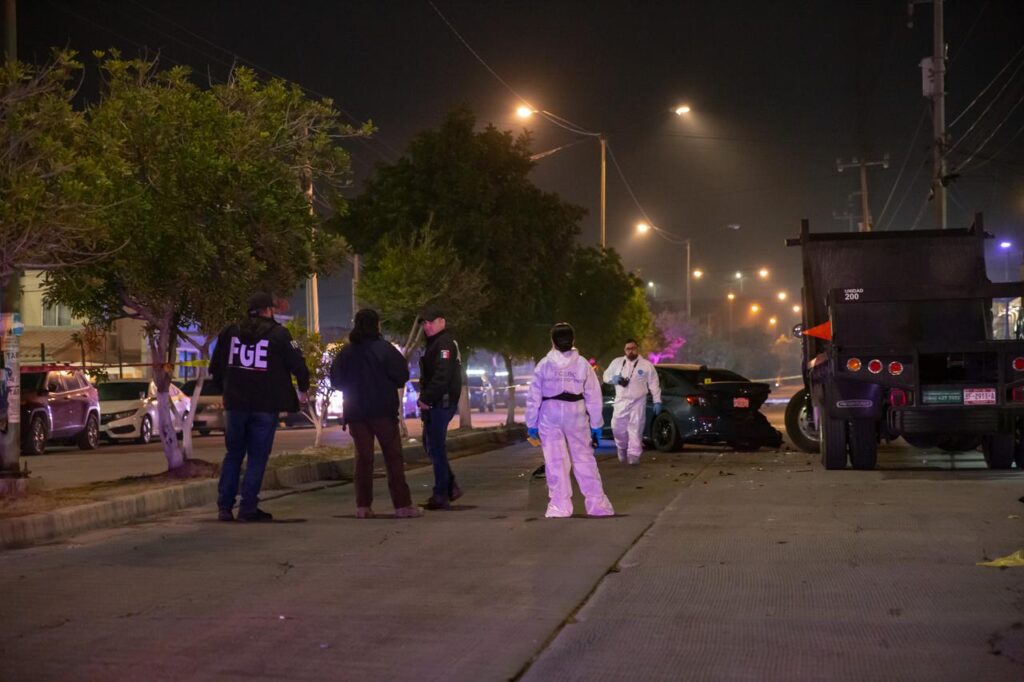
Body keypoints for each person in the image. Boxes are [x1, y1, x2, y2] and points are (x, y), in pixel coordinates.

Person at [210, 292, 310, 522]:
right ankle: (248, 508)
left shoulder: (229, 331)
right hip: (265, 405)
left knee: (233, 454)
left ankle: (224, 507)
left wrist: (225, 390)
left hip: (235, 405)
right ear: (268, 310)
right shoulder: (280, 334)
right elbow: (298, 363)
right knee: (257, 456)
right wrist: (303, 388)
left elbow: (215, 366)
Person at [330, 309, 421, 519]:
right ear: (377, 325)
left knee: (363, 460)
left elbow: (336, 381)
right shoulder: (385, 349)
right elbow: (401, 376)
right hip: (383, 411)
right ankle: (402, 506)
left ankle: (363, 507)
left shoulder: (347, 352)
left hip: (356, 412)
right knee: (393, 458)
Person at [526, 323, 614, 518]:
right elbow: (594, 396)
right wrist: (596, 424)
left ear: (552, 341)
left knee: (555, 462)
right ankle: (598, 505)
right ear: (573, 340)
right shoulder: (582, 364)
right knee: (584, 460)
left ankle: (559, 507)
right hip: (576, 414)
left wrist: (531, 423)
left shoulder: (544, 365)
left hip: (549, 415)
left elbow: (533, 397)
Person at [417, 306, 463, 510]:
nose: (427, 326)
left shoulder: (444, 343)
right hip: (436, 403)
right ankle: (449, 487)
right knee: (431, 445)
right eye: (424, 323)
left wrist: (426, 398)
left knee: (435, 447)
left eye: (431, 322)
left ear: (441, 322)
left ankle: (441, 493)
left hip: (440, 403)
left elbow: (442, 376)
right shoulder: (434, 343)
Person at [603, 338, 662, 465]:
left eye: (633, 348)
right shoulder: (617, 362)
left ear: (637, 349)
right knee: (617, 427)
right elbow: (605, 376)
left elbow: (654, 384)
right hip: (620, 401)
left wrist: (657, 401)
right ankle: (622, 447)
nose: (631, 351)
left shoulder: (646, 365)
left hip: (638, 401)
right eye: (628, 349)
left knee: (636, 427)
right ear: (624, 350)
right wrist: (613, 379)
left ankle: (634, 454)